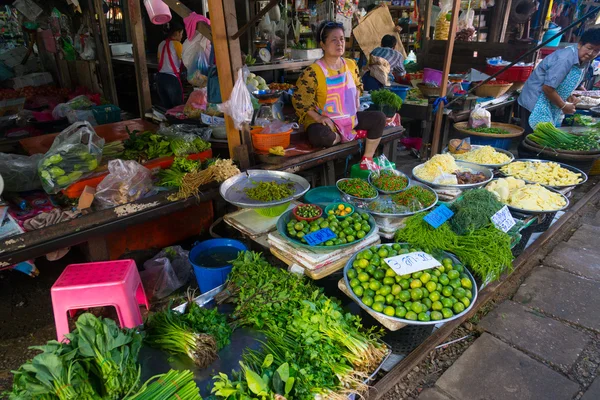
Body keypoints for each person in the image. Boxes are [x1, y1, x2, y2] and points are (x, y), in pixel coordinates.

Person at [292, 21, 387, 169]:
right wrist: (319, 117)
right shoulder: (313, 72)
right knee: (320, 135)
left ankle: (367, 159)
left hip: (349, 119)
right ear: (323, 44)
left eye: (342, 39)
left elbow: (358, 85)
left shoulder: (350, 64)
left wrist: (356, 100)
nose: (339, 43)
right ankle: (343, 137)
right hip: (327, 124)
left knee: (379, 118)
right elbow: (300, 100)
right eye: (334, 39)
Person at [518, 27, 600, 133]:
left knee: (542, 139)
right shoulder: (565, 59)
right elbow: (547, 88)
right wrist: (563, 106)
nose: (591, 53)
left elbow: (562, 82)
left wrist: (569, 96)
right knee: (533, 138)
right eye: (589, 48)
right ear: (580, 44)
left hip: (549, 101)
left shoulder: (584, 60)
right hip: (536, 101)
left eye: (596, 51)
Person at [156, 23, 185, 109]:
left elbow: (158, 60)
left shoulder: (161, 44)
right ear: (177, 33)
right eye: (182, 34)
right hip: (171, 79)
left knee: (168, 108)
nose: (181, 37)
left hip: (160, 78)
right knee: (178, 107)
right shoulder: (177, 44)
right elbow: (185, 60)